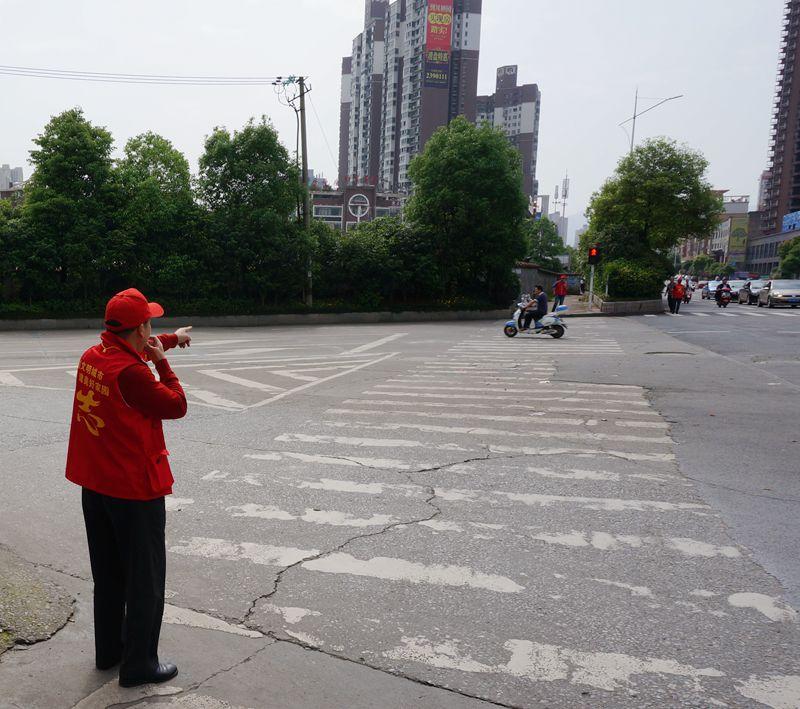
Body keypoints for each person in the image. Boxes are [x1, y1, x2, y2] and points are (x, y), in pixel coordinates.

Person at [65, 288, 192, 688]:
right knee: (145, 580)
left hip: (96, 486)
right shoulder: (134, 374)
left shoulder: (93, 356)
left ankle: (109, 652)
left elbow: (136, 352)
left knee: (108, 576)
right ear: (139, 329)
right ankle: (139, 664)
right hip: (134, 491)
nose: (151, 330)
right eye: (150, 324)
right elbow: (175, 404)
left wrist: (172, 339)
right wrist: (165, 363)